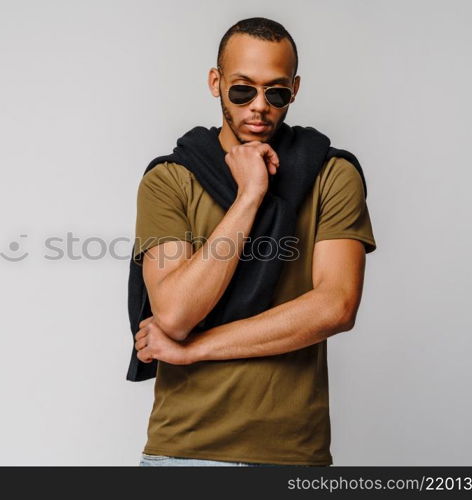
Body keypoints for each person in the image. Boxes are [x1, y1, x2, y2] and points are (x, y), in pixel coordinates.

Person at [130, 17, 377, 467]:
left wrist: (197, 349)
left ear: (295, 89)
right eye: (242, 89)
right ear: (215, 81)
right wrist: (250, 195)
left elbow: (336, 306)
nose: (259, 107)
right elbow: (176, 313)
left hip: (292, 454)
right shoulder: (170, 179)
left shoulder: (331, 174)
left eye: (276, 92)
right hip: (186, 450)